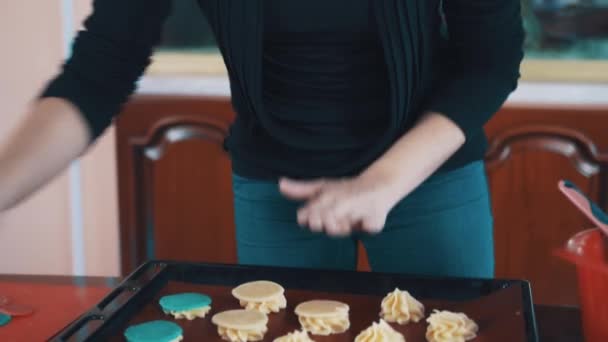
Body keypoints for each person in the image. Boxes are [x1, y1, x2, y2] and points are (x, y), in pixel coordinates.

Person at [0, 0, 524, 278]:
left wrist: (384, 180)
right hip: (276, 185)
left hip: (427, 171)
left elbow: (490, 62)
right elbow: (98, 71)